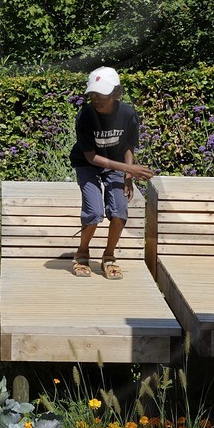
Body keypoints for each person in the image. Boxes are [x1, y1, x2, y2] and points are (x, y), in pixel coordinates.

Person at [70, 67, 154, 279]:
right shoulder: (86, 115)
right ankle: (81, 253)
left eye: (103, 94)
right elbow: (91, 158)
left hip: (117, 164)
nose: (97, 99)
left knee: (119, 210)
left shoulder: (127, 113)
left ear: (116, 94)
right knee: (94, 211)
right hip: (87, 165)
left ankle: (108, 256)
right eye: (93, 94)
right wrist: (129, 169)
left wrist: (128, 177)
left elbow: (128, 146)